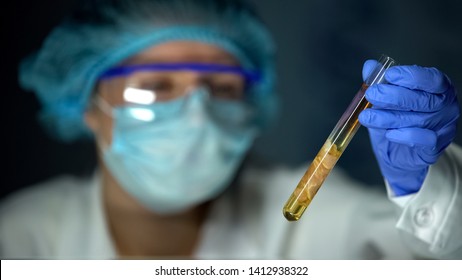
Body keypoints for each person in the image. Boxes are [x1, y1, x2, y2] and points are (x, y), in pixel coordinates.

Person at [2, 0, 461, 259]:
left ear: (253, 105)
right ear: (88, 105)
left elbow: (436, 253)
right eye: (155, 87)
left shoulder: (321, 230)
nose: (196, 113)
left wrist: (423, 190)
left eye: (221, 88)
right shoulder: (19, 241)